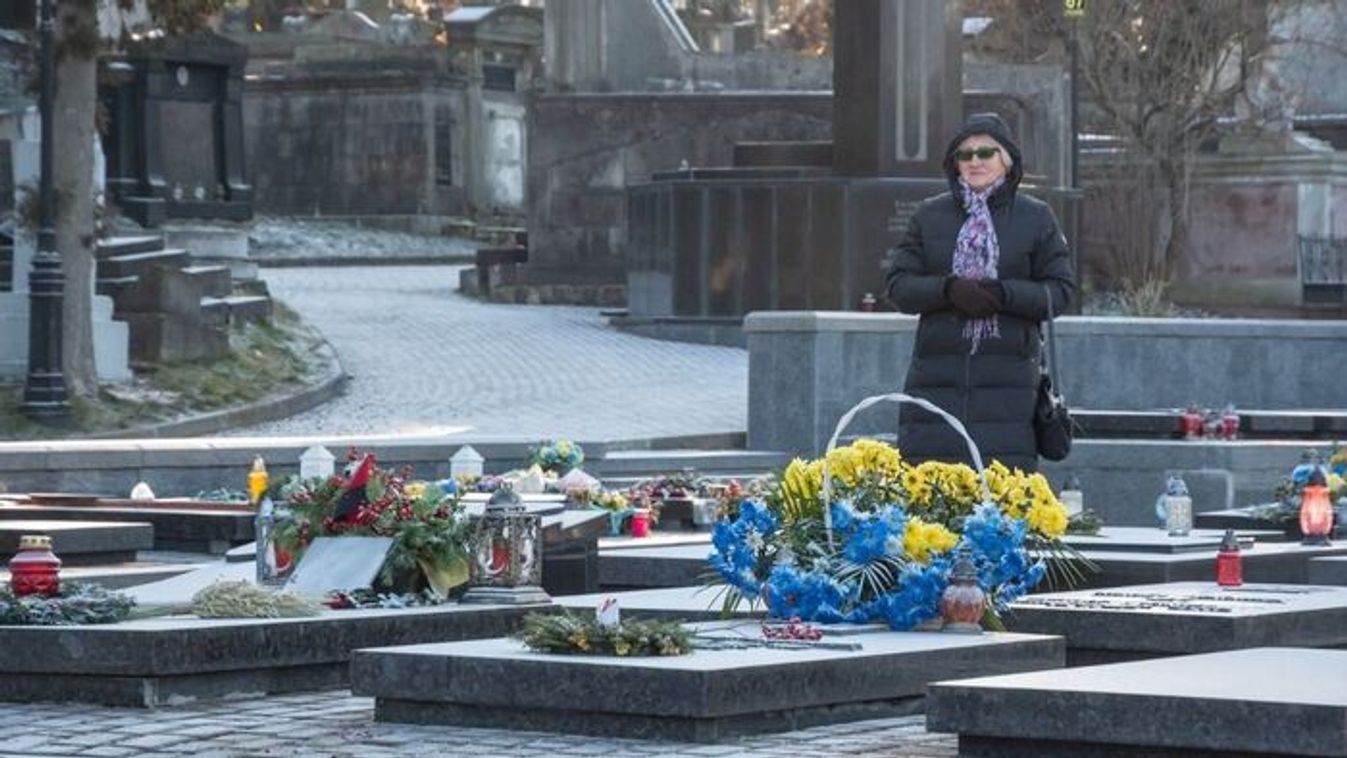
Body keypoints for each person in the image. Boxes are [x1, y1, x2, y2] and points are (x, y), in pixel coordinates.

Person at [883, 113, 1075, 473]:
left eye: (986, 152)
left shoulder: (1036, 217)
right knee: (930, 496)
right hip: (936, 385)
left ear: (1007, 160)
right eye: (965, 154)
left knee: (1001, 495)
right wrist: (948, 289)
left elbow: (1060, 291)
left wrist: (1003, 294)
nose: (975, 161)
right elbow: (899, 286)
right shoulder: (929, 215)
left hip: (1010, 393)